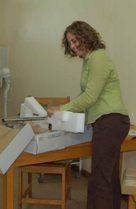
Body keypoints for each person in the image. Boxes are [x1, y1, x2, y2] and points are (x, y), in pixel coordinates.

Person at [47, 21, 130, 209]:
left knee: (99, 179)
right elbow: (86, 96)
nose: (73, 46)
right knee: (108, 177)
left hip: (111, 121)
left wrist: (62, 108)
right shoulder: (89, 60)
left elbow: (90, 97)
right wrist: (65, 110)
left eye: (75, 41)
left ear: (86, 36)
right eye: (70, 43)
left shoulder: (98, 58)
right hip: (108, 122)